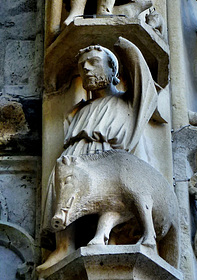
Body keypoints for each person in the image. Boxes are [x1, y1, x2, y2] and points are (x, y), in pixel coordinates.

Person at [39, 38, 157, 272]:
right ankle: (65, 246)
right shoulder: (79, 109)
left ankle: (110, 239)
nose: (87, 69)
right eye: (83, 66)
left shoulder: (127, 101)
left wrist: (126, 47)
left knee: (110, 195)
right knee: (66, 198)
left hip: (107, 156)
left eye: (94, 62)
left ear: (113, 69)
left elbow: (146, 84)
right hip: (75, 156)